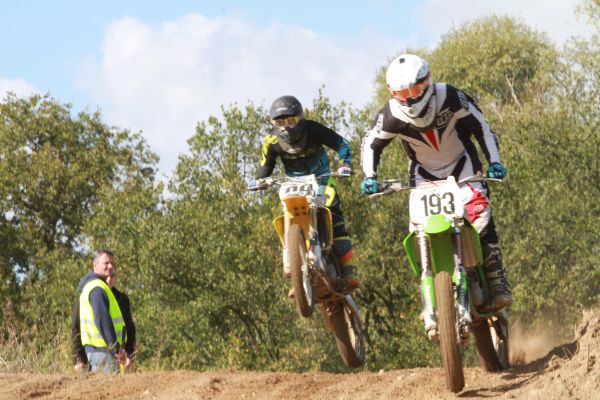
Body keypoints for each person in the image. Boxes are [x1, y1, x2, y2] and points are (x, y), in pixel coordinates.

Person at [360, 54, 512, 317]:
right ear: (393, 93)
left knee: (480, 217)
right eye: (403, 93)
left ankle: (497, 279)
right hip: (424, 178)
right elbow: (370, 145)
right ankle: (429, 297)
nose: (411, 98)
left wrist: (495, 161)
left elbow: (482, 127)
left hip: (463, 169)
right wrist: (369, 177)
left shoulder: (449, 96)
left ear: (427, 81)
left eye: (416, 89)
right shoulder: (391, 114)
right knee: (418, 230)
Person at [254, 95, 359, 290]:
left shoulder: (314, 129)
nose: (286, 127)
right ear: (273, 123)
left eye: (290, 120)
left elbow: (341, 143)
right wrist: (260, 180)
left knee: (333, 213)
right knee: (287, 213)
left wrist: (345, 163)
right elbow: (265, 165)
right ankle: (297, 271)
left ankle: (348, 268)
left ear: (300, 119)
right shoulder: (271, 140)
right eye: (280, 122)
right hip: (293, 184)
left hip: (321, 178)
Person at [72, 265, 136, 372]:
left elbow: (129, 328)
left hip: (120, 357)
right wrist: (78, 358)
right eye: (107, 276)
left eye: (112, 276)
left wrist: (130, 355)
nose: (109, 279)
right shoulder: (92, 293)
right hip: (97, 353)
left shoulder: (122, 299)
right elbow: (76, 328)